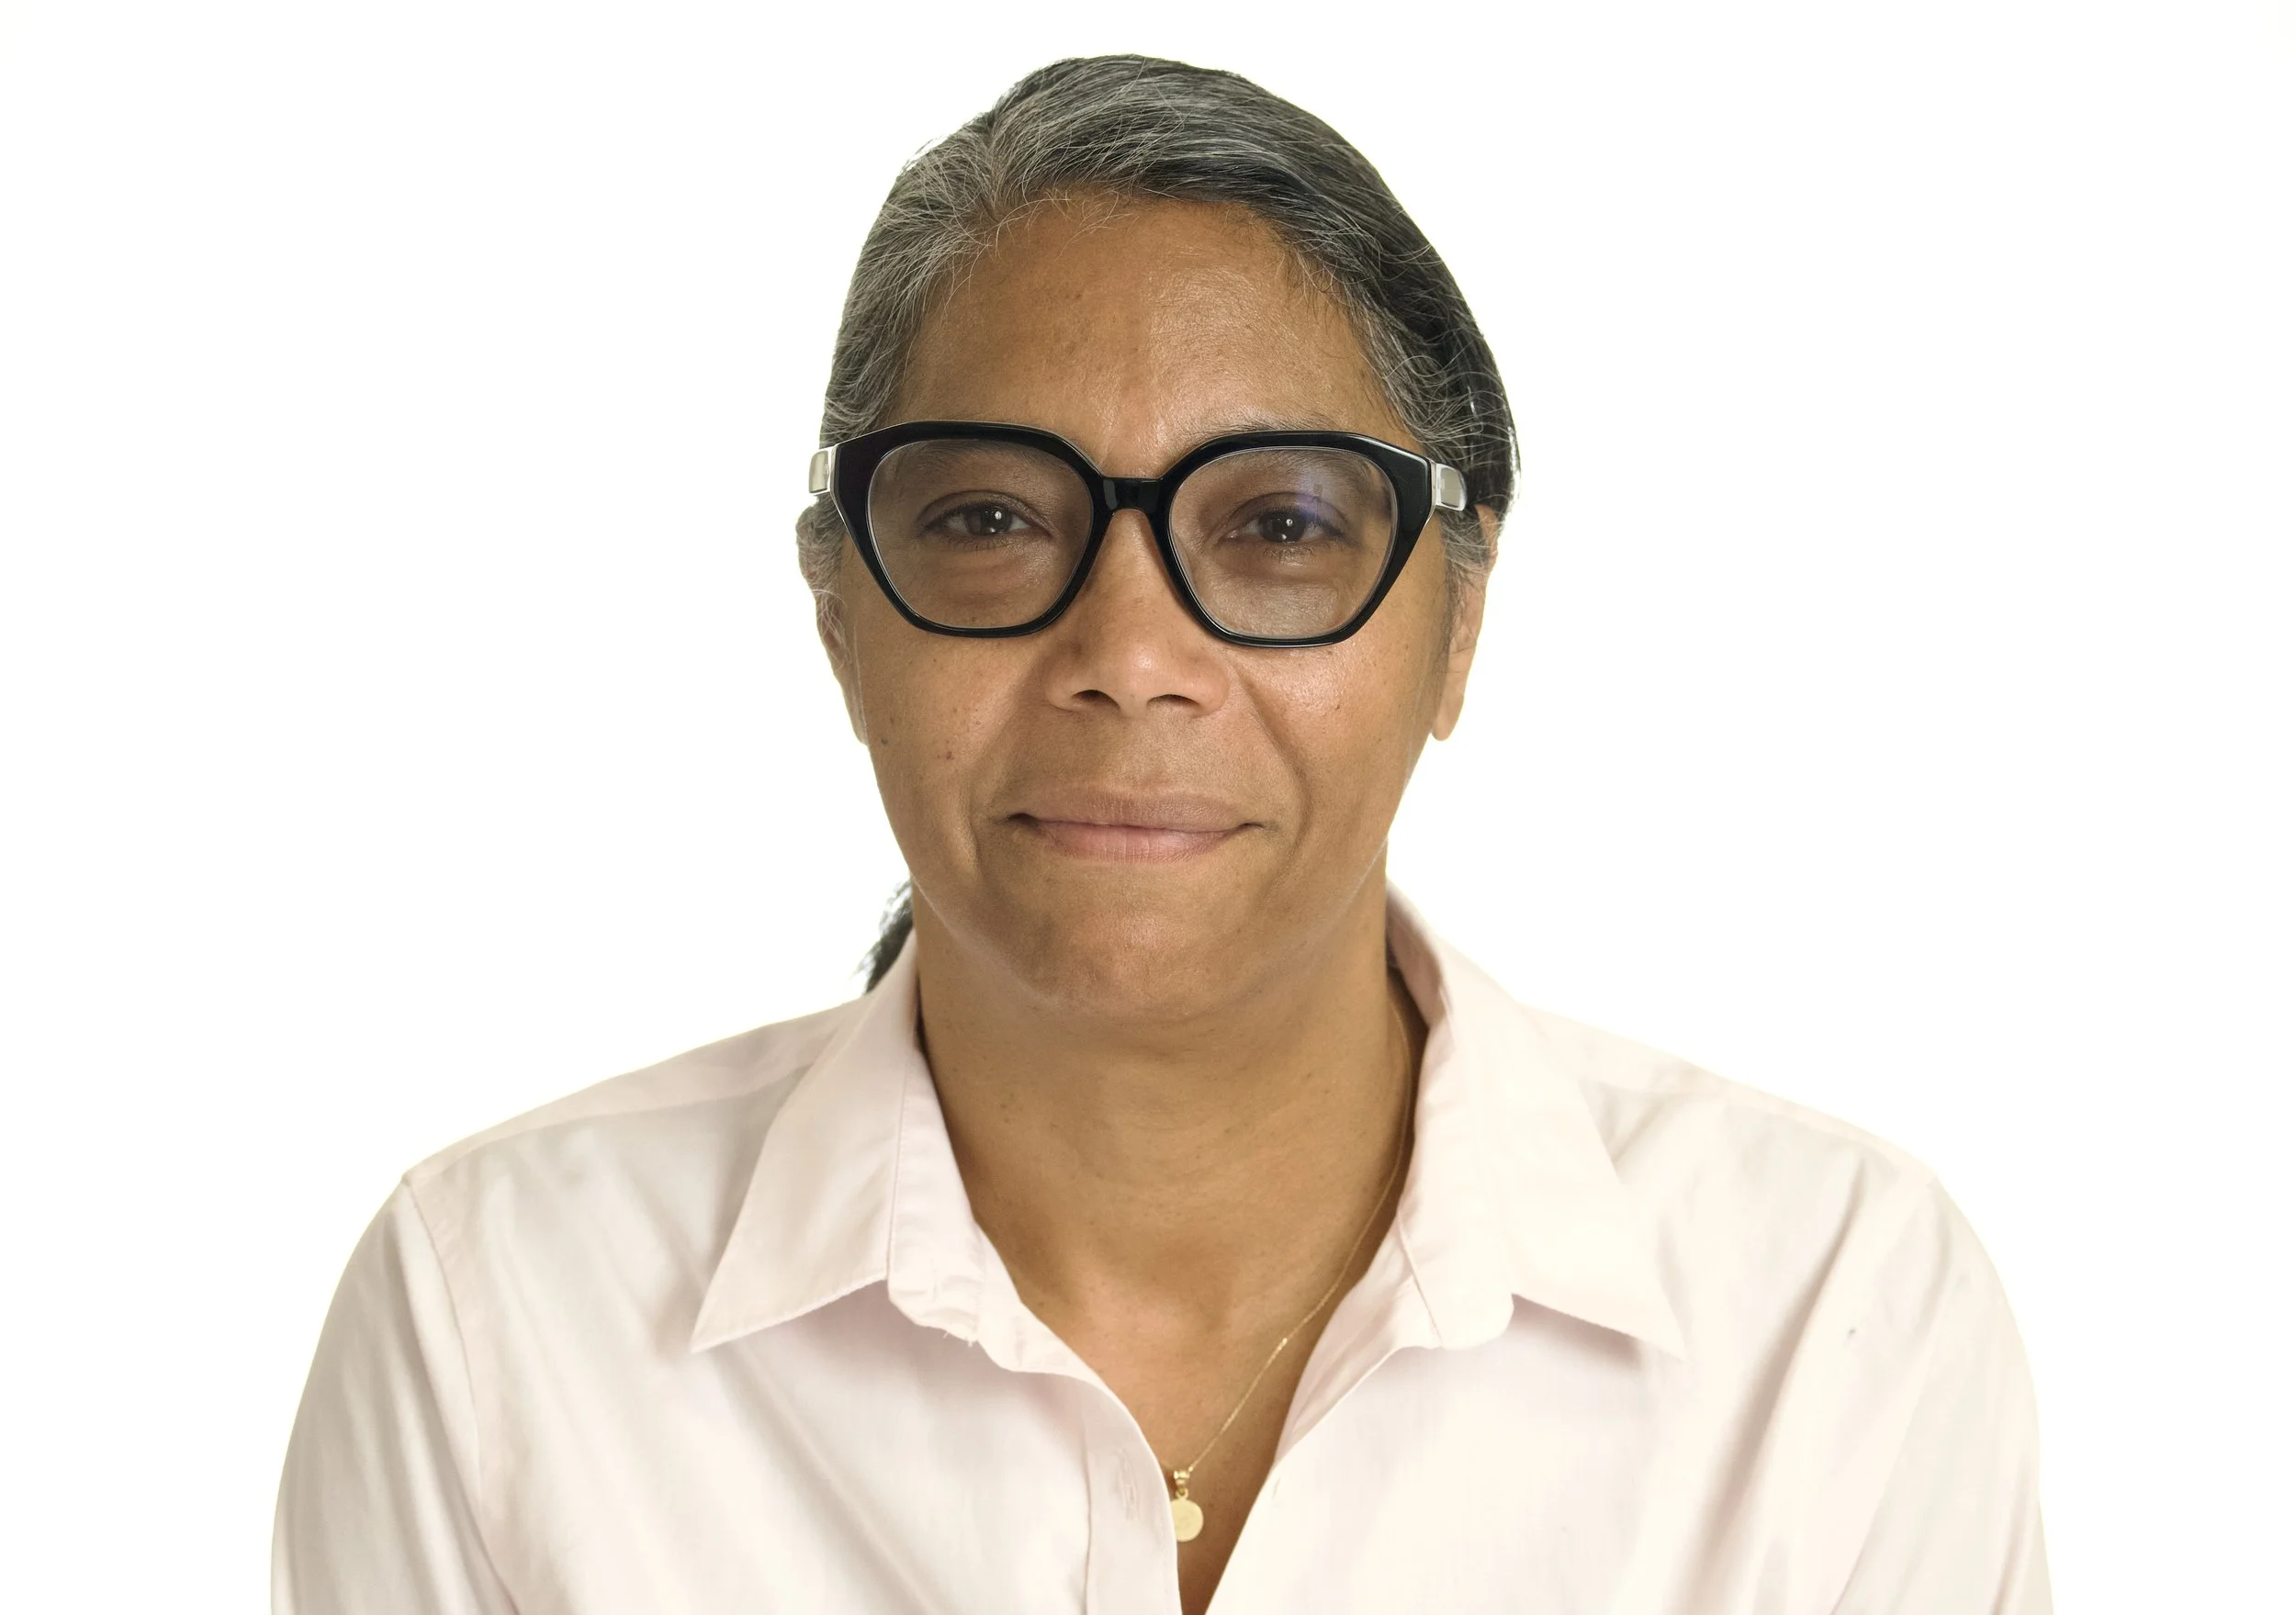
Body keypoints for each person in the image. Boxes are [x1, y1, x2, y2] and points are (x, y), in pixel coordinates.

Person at [275, 55, 2049, 1615]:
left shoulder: (1832, 1321)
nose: (1130, 658)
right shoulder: (496, 1316)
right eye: (988, 516)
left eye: (1277, 522)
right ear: (840, 618)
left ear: (1461, 622)